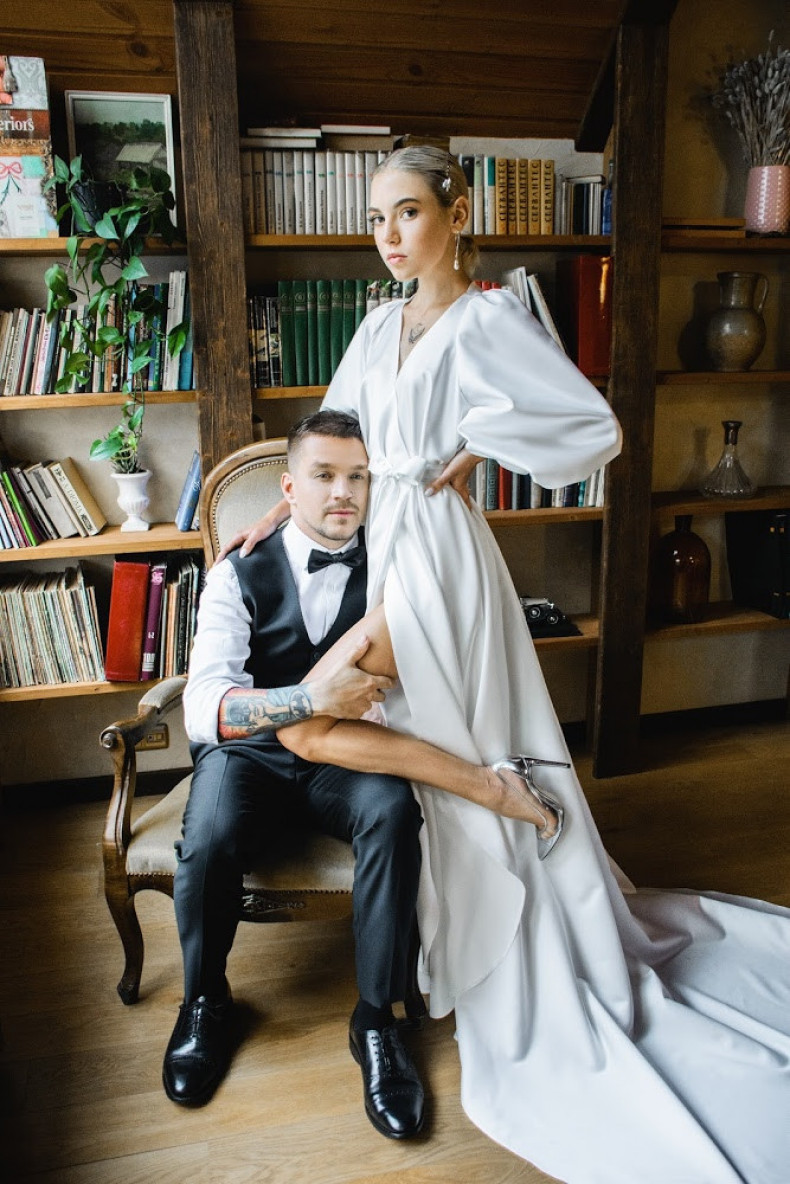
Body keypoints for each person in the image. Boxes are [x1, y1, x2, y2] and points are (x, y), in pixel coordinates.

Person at [224, 148, 790, 1184]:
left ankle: (500, 830)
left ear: (455, 212)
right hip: (381, 544)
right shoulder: (375, 323)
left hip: (436, 561)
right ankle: (489, 828)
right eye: (376, 219)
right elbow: (334, 436)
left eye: (407, 212)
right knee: (389, 730)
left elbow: (591, 427)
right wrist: (274, 512)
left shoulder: (486, 318)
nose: (389, 236)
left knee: (321, 720)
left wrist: (475, 445)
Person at [167, 411, 429, 1136]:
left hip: (345, 753)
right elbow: (204, 711)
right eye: (324, 476)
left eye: (357, 477)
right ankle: (204, 1001)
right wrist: (309, 700)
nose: (343, 492)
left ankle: (377, 1020)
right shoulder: (235, 573)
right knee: (209, 836)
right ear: (289, 488)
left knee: (393, 811)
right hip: (246, 756)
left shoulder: (395, 562)